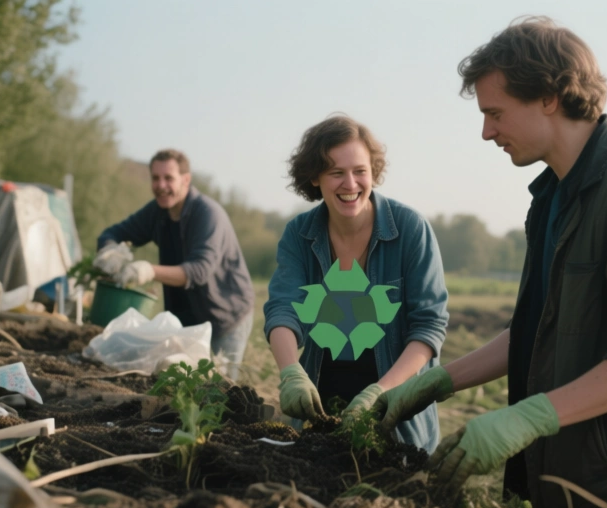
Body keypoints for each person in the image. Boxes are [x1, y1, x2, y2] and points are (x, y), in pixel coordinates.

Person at [371, 17, 607, 508]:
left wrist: (527, 417)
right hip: (573, 479)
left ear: (549, 96)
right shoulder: (554, 196)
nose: (485, 131)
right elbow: (539, 326)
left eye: (495, 113)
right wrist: (439, 381)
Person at [263, 115, 448, 452]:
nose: (350, 184)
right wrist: (291, 372)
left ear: (373, 173)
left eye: (360, 171)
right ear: (315, 178)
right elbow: (283, 309)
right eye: (336, 172)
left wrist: (381, 392)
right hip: (320, 416)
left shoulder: (410, 230)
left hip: (397, 418)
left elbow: (429, 327)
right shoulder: (299, 235)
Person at [94, 149, 255, 380]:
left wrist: (148, 270)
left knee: (220, 390)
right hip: (187, 318)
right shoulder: (157, 212)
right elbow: (114, 232)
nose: (161, 185)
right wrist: (111, 250)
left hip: (225, 315)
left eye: (168, 178)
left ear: (186, 179)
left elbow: (198, 271)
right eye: (155, 178)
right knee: (185, 383)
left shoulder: (208, 215)